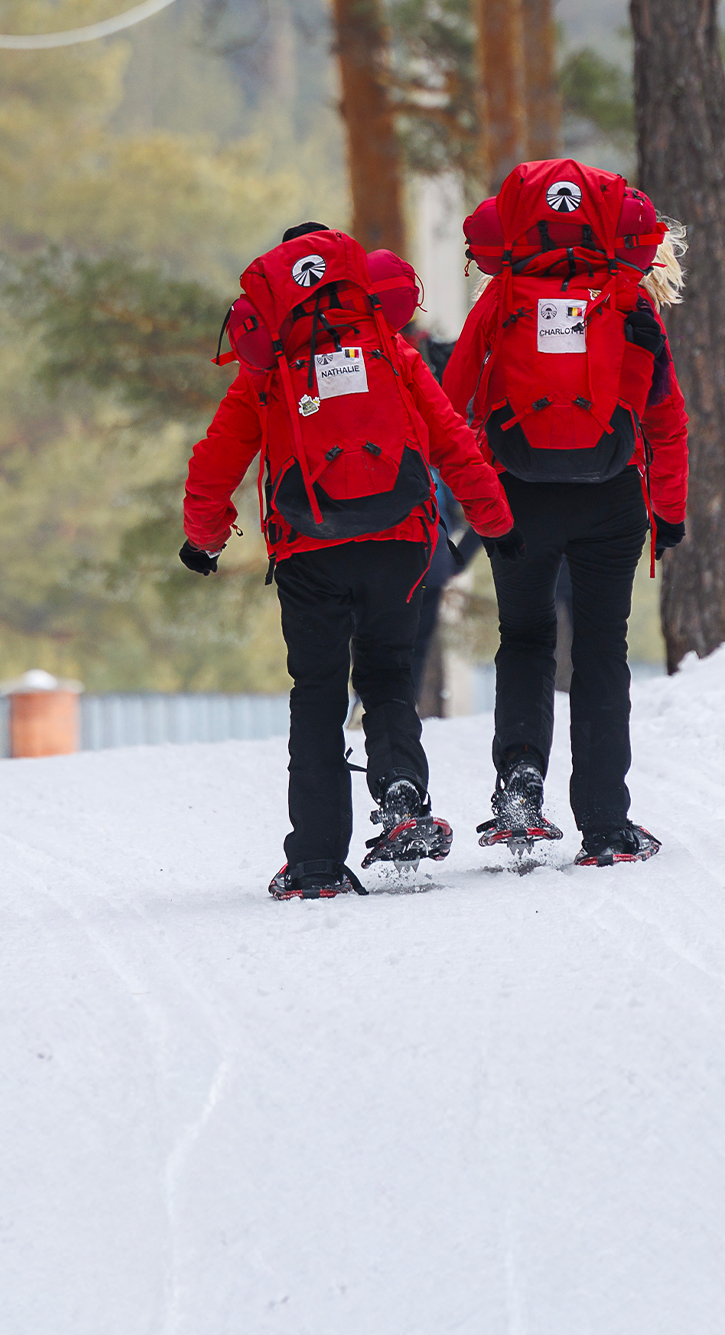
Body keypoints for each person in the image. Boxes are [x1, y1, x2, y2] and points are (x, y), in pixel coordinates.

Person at [178, 224, 520, 900]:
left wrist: (205, 539)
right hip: (399, 538)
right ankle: (402, 799)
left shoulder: (268, 367)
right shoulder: (391, 350)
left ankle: (314, 864)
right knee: (388, 674)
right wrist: (494, 521)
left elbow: (216, 462)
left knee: (317, 693)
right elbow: (451, 440)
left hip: (309, 548)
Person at [439, 159, 690, 868]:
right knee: (603, 649)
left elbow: (451, 403)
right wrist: (668, 511)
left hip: (518, 497)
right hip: (612, 499)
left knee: (524, 639)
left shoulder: (502, 297)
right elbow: (665, 418)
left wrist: (476, 494)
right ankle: (606, 826)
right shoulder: (628, 299)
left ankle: (520, 789)